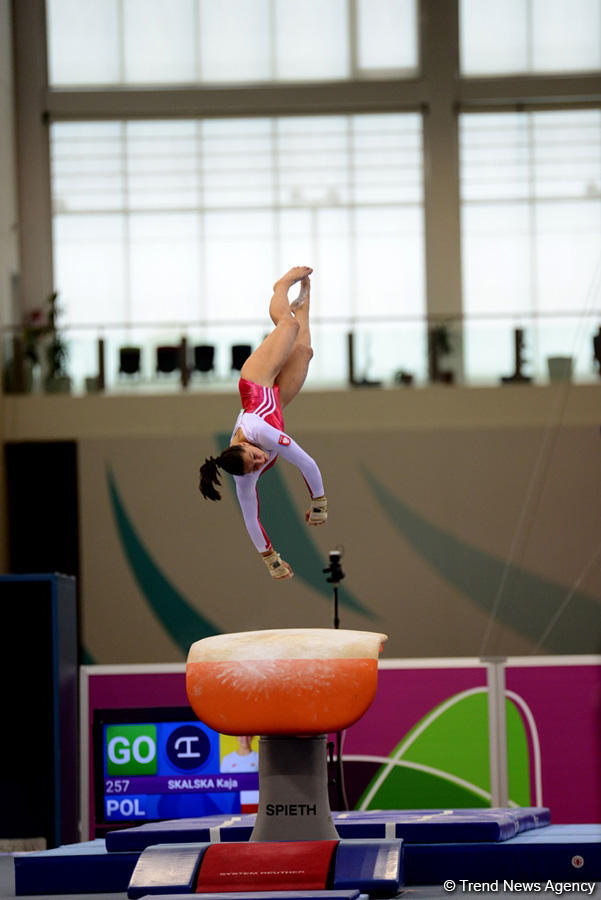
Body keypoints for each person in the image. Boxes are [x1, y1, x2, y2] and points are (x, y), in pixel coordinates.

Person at [199, 266, 327, 580]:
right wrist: (272, 560)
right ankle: (304, 304)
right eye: (257, 466)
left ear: (242, 444)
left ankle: (281, 286)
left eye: (255, 458)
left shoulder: (259, 432)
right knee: (305, 351)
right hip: (277, 402)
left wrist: (319, 501)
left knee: (288, 325)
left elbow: (306, 463)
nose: (260, 463)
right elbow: (251, 521)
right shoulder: (243, 476)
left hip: (257, 381)